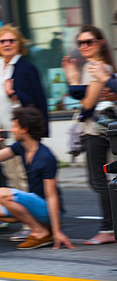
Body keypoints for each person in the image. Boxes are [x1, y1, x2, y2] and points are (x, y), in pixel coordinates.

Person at [0, 24, 49, 239]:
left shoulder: (26, 68)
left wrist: (13, 96)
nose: (7, 44)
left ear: (19, 44)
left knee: (22, 181)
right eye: (2, 41)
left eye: (11, 40)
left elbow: (36, 103)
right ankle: (30, 224)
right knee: (11, 179)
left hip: (20, 134)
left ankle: (35, 227)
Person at [0, 107, 74, 250]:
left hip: (48, 209)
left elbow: (52, 196)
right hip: (35, 205)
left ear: (24, 129)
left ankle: (41, 231)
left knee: (1, 193)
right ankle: (41, 228)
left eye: (15, 126)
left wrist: (58, 231)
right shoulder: (20, 147)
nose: (12, 130)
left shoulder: (45, 157)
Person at [62, 25, 116, 245]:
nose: (84, 46)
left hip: (97, 131)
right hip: (94, 129)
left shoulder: (97, 67)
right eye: (80, 43)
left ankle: (108, 228)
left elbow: (87, 103)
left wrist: (73, 79)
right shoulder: (91, 67)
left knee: (99, 180)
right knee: (98, 180)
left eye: (89, 42)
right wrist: (75, 78)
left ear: (100, 43)